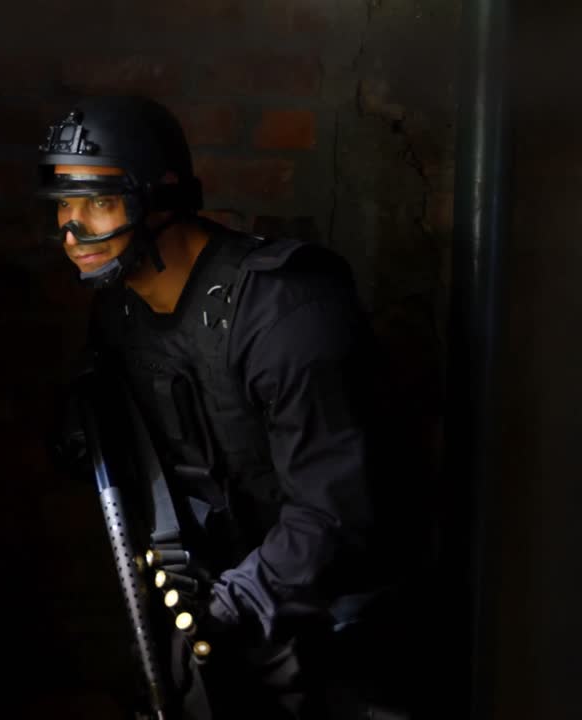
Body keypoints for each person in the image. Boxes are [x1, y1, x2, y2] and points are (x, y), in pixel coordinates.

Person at [38, 96, 423, 719]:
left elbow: (336, 513)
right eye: (63, 204)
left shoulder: (283, 310)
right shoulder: (121, 310)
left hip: (330, 636)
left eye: (100, 202)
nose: (73, 231)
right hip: (222, 632)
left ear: (161, 201)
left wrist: (226, 610)